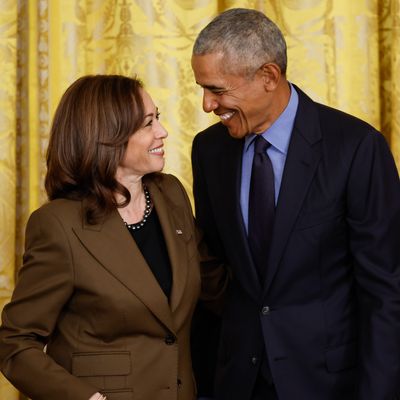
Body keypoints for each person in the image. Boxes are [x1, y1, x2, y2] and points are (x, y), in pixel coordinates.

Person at [190, 8, 400, 400]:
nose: (206, 105)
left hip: (328, 383)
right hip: (238, 381)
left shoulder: (356, 148)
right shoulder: (209, 150)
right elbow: (213, 271)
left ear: (269, 76)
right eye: (202, 88)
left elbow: (385, 291)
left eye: (217, 89)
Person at [0, 74, 204, 400]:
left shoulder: (172, 195)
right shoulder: (57, 225)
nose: (162, 132)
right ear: (107, 136)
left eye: (159, 119)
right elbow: (15, 343)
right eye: (148, 123)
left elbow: (205, 288)